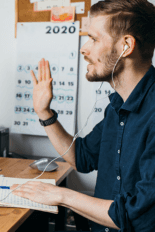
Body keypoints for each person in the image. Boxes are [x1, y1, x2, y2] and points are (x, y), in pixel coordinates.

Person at [11, 1, 155, 232]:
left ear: (126, 46)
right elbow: (82, 157)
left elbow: (137, 216)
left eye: (94, 39)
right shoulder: (117, 107)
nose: (84, 49)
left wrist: (61, 196)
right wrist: (44, 112)